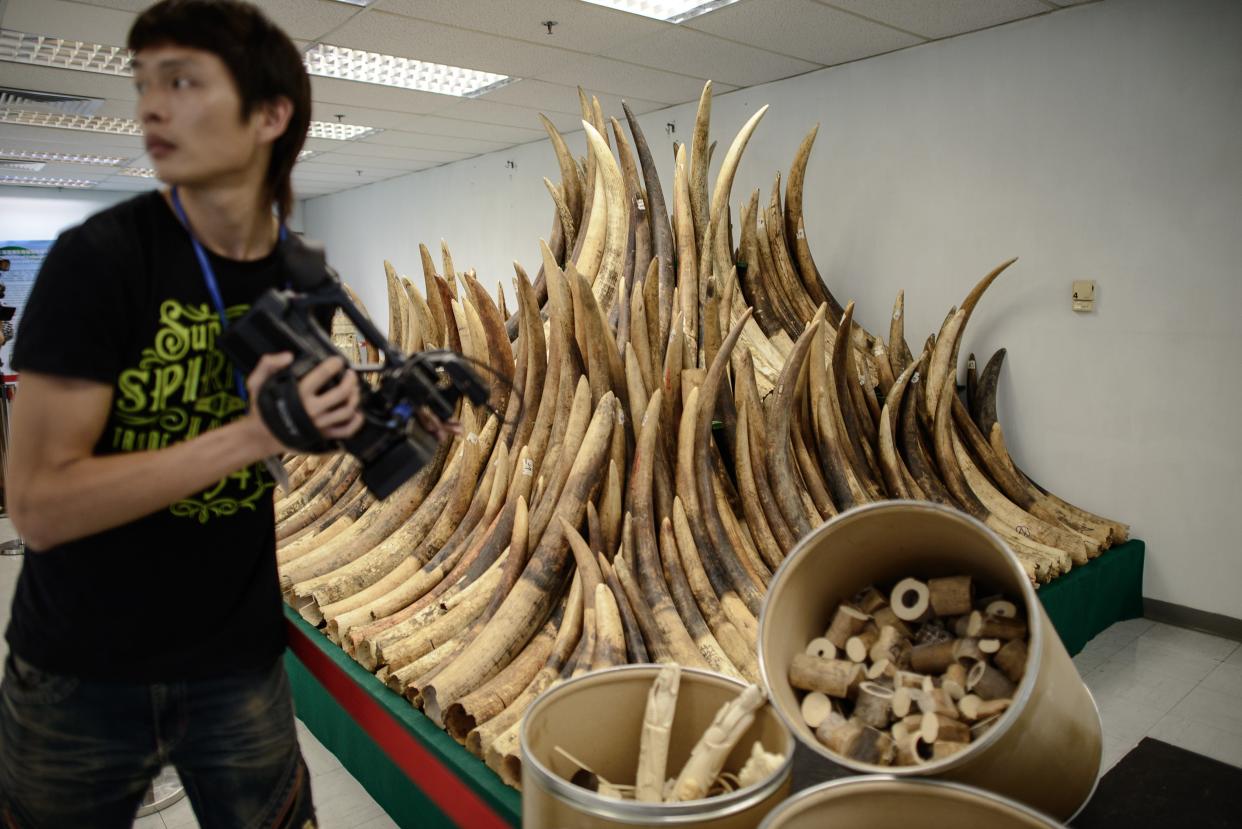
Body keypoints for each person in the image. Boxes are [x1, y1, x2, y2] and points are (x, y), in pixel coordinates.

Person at [0, 2, 363, 826]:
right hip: (79, 670)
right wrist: (251, 433)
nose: (152, 107)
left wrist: (357, 420)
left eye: (185, 82)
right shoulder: (95, 263)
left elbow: (284, 441)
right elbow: (39, 506)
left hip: (237, 660)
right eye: (146, 84)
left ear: (270, 116)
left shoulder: (304, 279)